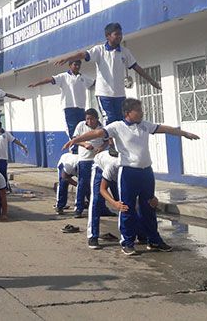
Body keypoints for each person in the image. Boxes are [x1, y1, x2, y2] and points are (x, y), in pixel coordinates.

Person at [63, 98, 200, 255]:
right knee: (126, 207)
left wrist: (184, 133)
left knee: (149, 206)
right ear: (128, 113)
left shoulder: (145, 125)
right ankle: (127, 242)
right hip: (128, 172)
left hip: (146, 172)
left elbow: (165, 129)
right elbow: (96, 133)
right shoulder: (117, 127)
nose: (142, 113)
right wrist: (75, 140)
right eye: (138, 110)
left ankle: (153, 240)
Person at [54, 22, 160, 124]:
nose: (119, 36)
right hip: (104, 94)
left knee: (121, 122)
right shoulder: (99, 50)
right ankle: (109, 142)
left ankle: (118, 142)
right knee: (110, 120)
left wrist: (151, 81)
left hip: (120, 95)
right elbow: (83, 54)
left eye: (120, 34)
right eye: (116, 34)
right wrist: (68, 58)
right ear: (107, 36)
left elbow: (136, 67)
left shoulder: (125, 52)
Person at [28, 60, 94, 144]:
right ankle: (74, 147)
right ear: (70, 65)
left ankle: (82, 146)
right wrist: (36, 84)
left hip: (81, 107)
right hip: (69, 107)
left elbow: (93, 83)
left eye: (79, 65)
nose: (77, 67)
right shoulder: (64, 76)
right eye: (75, 64)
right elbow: (50, 79)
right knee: (72, 129)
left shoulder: (83, 77)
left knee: (82, 128)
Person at [72, 109, 107, 218]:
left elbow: (107, 140)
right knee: (82, 184)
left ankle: (102, 208)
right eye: (87, 119)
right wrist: (85, 144)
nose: (89, 121)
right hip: (85, 160)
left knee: (99, 185)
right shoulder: (81, 126)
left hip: (98, 160)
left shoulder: (102, 128)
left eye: (92, 119)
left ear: (97, 119)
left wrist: (101, 147)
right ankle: (79, 208)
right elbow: (75, 139)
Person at [87, 150, 120, 250]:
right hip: (100, 168)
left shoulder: (132, 164)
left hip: (115, 172)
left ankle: (138, 233)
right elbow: (103, 189)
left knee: (125, 201)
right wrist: (113, 203)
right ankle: (93, 235)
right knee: (96, 200)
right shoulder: (112, 164)